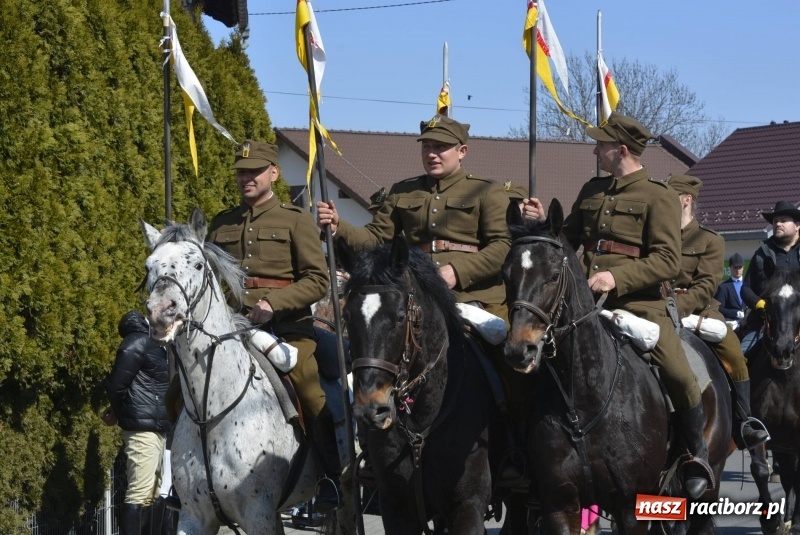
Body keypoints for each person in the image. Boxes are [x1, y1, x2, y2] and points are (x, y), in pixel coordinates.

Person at [316, 115, 530, 484]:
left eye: (441, 147)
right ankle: (373, 445)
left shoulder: (489, 192)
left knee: (508, 362)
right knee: (376, 357)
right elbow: (374, 240)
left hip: (470, 299)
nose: (432, 153)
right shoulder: (403, 193)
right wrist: (339, 227)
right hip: (413, 302)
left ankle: (515, 449)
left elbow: (502, 246)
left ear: (462, 152)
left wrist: (456, 271)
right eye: (427, 147)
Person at [521, 112, 712, 499]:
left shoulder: (658, 196)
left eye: (601, 145)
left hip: (640, 306)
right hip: (586, 306)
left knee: (678, 371)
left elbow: (667, 260)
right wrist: (542, 225)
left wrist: (616, 277)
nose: (595, 149)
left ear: (621, 150)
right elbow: (566, 240)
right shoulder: (592, 190)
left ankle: (695, 453)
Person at [206, 140, 341, 512]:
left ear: (273, 174)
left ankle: (330, 477)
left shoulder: (295, 220)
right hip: (231, 329)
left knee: (311, 393)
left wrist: (273, 303)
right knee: (178, 392)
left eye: (254, 171)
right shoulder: (221, 224)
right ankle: (190, 481)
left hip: (287, 330)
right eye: (241, 171)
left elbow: (317, 279)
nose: (246, 177)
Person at [667, 175, 768, 449]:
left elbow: (704, 286)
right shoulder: (654, 236)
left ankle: (744, 422)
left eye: (670, 194)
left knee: (735, 353)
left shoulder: (709, 240)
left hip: (697, 311)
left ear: (686, 199)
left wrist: (674, 309)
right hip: (654, 309)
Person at [104, 310, 171, 535]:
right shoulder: (137, 342)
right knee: (140, 493)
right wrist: (119, 412)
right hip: (143, 430)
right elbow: (115, 386)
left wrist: (116, 410)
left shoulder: (149, 344)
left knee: (152, 493)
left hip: (153, 428)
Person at [739, 200, 800, 355]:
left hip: (797, 322)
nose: (778, 224)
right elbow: (746, 288)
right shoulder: (761, 253)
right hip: (763, 324)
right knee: (741, 360)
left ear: (797, 225)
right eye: (775, 221)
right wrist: (759, 304)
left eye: (783, 220)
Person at [714, 253, 746, 328]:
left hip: (748, 322)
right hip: (731, 323)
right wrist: (736, 313)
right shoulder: (723, 287)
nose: (738, 270)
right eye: (735, 267)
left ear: (743, 267)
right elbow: (720, 308)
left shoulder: (749, 284)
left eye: (740, 267)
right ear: (730, 268)